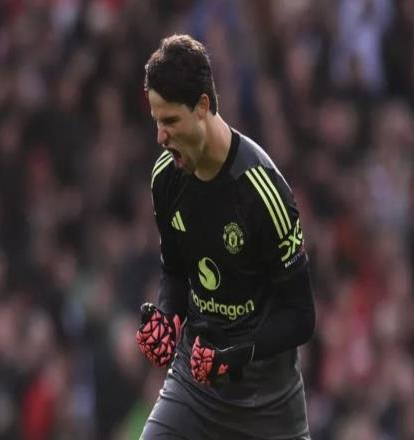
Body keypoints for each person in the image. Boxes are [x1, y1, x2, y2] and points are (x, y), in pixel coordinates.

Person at [136, 34, 316, 440]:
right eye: (156, 121)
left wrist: (235, 356)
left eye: (170, 121)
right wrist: (168, 318)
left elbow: (300, 316)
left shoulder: (263, 191)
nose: (160, 137)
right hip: (194, 388)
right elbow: (174, 270)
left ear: (202, 106)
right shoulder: (166, 178)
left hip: (266, 403)